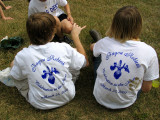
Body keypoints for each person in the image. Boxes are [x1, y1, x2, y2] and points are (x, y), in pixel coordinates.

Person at [10, 12, 89, 110]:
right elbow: (85, 63)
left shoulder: (22, 56)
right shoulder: (63, 47)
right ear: (52, 34)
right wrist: (75, 36)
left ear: (29, 34)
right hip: (68, 95)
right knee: (74, 55)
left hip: (39, 103)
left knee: (14, 65)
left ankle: (36, 90)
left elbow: (16, 76)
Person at [90, 6, 159, 109]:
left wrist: (97, 44)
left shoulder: (106, 42)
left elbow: (92, 48)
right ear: (138, 26)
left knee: (98, 56)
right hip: (126, 102)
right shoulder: (149, 52)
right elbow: (146, 88)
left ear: (114, 25)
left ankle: (97, 40)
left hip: (100, 97)